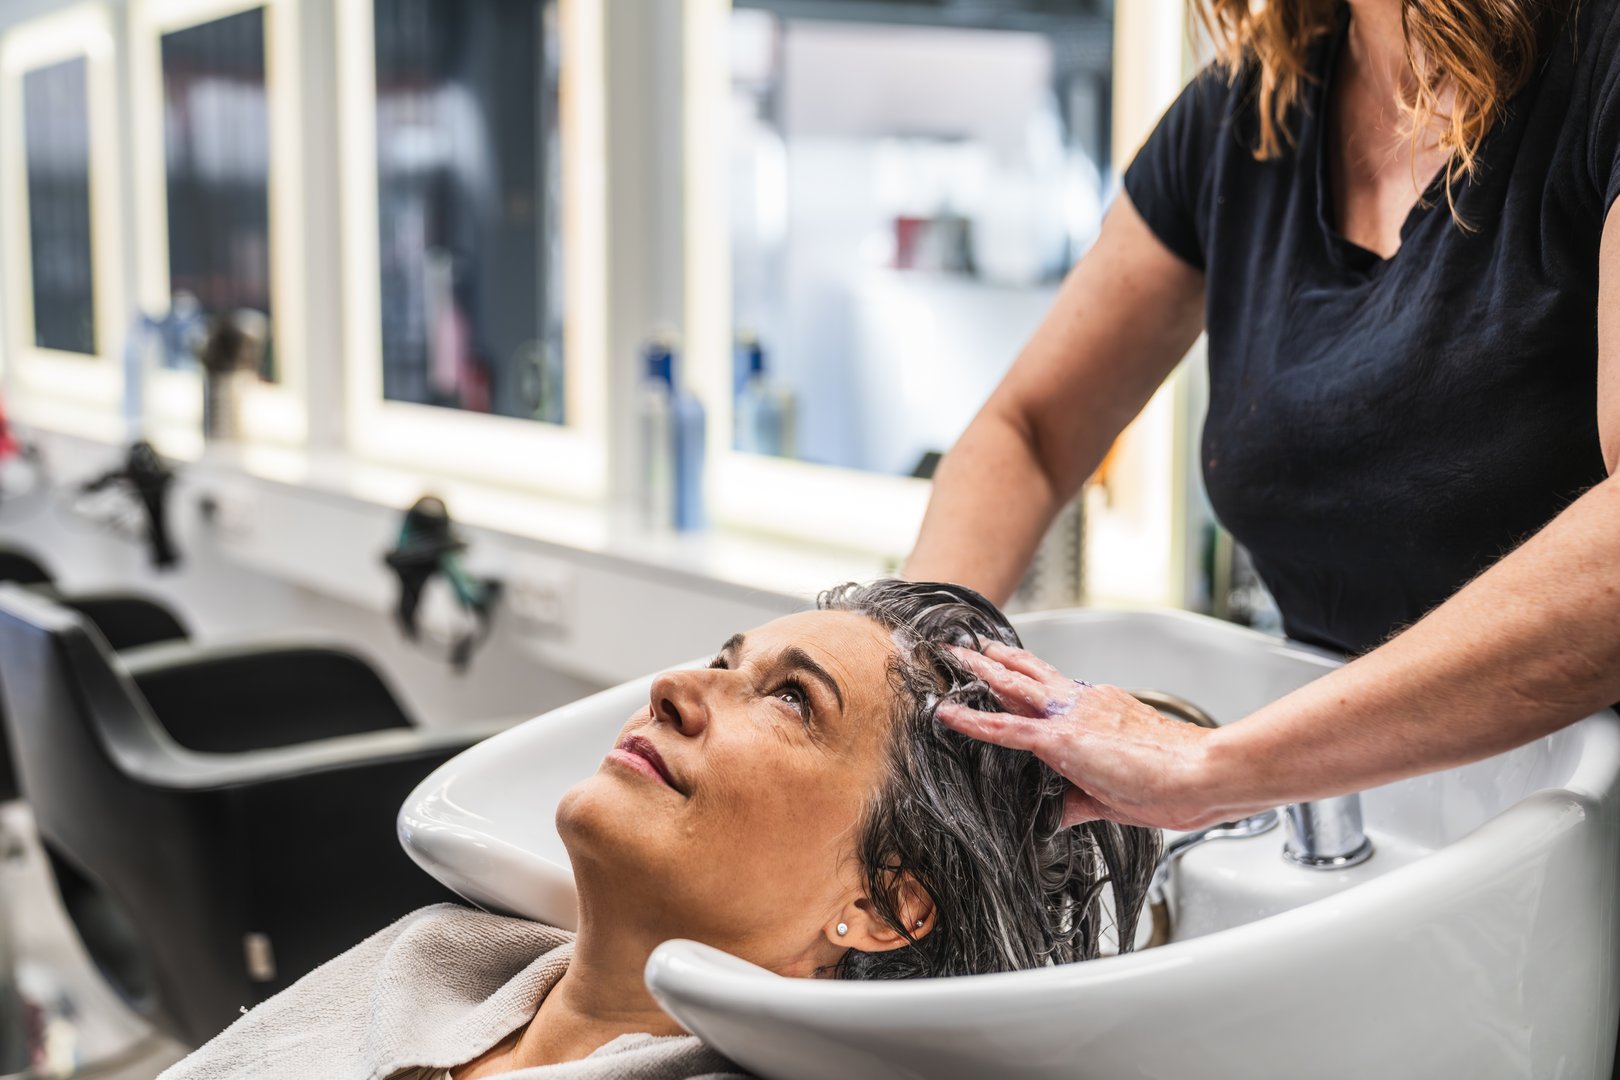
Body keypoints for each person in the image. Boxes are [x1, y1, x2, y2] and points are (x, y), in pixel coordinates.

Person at [904, 0, 1620, 835]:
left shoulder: (1598, 62)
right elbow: (1029, 431)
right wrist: (903, 672)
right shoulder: (1244, 117)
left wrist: (1215, 768)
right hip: (1364, 825)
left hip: (1576, 839)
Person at [160, 581, 1160, 1080]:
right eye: (724, 661)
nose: (675, 688)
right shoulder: (432, 960)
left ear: (886, 901)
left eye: (792, 702)